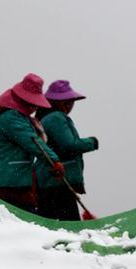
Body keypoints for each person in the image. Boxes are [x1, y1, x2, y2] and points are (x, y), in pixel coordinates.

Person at [0, 73, 62, 215]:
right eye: (33, 104)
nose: (34, 109)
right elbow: (33, 142)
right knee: (21, 222)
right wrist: (54, 161)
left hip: (10, 181)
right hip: (9, 183)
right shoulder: (11, 117)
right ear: (23, 100)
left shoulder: (15, 116)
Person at [36, 80, 98, 221]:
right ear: (57, 102)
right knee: (69, 225)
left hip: (50, 180)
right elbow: (69, 145)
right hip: (57, 181)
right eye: (67, 101)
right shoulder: (56, 118)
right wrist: (92, 142)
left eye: (71, 102)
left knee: (50, 223)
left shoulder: (45, 117)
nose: (70, 106)